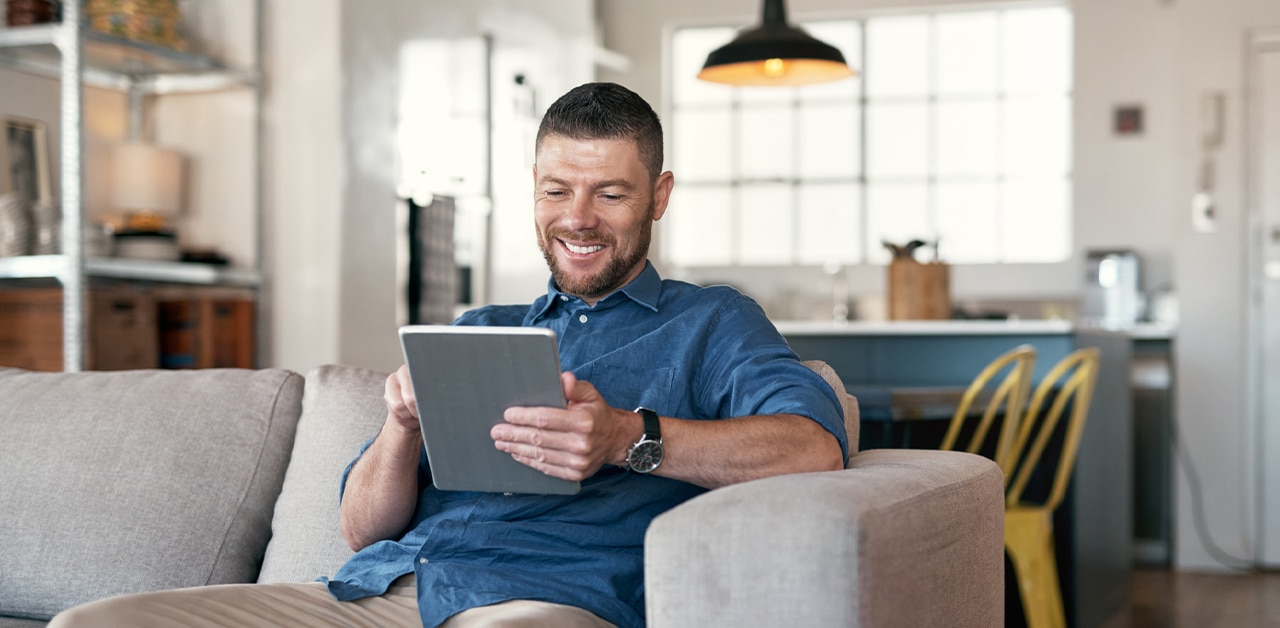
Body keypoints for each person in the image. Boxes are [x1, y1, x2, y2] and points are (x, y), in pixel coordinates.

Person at [50, 82, 847, 628]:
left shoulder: (710, 322)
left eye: (610, 192)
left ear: (659, 196)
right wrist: (399, 426)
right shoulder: (474, 328)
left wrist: (625, 437)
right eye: (555, 190)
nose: (578, 218)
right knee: (95, 622)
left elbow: (812, 448)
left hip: (543, 601)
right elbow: (362, 528)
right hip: (386, 590)